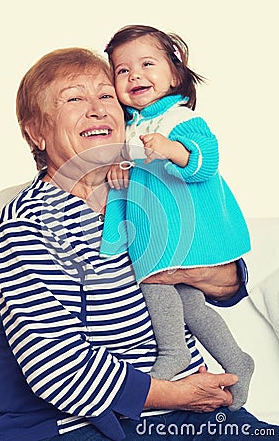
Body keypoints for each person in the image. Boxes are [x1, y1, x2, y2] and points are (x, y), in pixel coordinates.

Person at [0, 47, 278, 441]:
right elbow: (58, 369)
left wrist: (196, 272)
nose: (97, 109)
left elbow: (228, 284)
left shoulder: (146, 189)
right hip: (80, 426)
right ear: (36, 131)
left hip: (184, 410)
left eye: (107, 95)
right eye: (74, 98)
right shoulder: (29, 224)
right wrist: (178, 394)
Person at [100, 25, 254, 410]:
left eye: (147, 64)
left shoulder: (176, 118)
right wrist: (121, 168)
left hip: (190, 232)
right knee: (189, 305)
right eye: (122, 70)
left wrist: (173, 150)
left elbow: (207, 162)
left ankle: (174, 352)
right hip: (167, 232)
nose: (134, 75)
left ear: (175, 75)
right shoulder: (131, 126)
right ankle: (237, 360)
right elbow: (132, 170)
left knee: (154, 285)